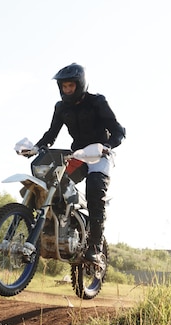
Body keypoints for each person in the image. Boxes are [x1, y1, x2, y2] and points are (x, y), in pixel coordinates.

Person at [33, 63, 125, 264]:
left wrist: (108, 145)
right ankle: (59, 228)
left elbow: (119, 131)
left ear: (80, 85)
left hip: (99, 156)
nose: (67, 90)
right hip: (77, 156)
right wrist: (36, 147)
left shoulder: (97, 102)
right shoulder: (61, 107)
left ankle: (95, 246)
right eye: (64, 87)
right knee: (55, 185)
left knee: (94, 193)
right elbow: (51, 134)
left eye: (70, 86)